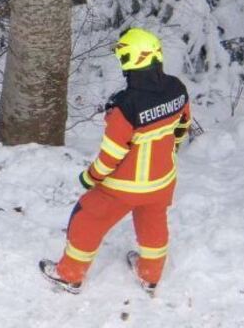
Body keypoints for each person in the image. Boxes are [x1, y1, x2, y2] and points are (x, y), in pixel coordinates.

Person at [40, 27, 192, 294]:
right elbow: (182, 127)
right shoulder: (177, 89)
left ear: (129, 60)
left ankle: (69, 274)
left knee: (86, 219)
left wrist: (91, 177)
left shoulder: (124, 105)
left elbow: (111, 155)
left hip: (124, 187)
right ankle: (150, 274)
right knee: (153, 223)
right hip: (162, 181)